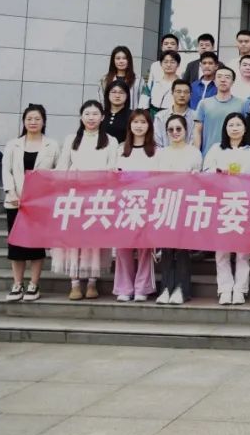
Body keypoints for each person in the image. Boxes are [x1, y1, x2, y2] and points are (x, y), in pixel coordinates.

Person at [55, 100, 119, 301]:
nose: (91, 118)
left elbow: (113, 168)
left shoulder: (110, 141)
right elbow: (62, 167)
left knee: (94, 240)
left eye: (95, 114)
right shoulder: (71, 139)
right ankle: (74, 283)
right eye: (87, 114)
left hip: (98, 197)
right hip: (74, 196)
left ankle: (92, 282)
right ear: (81, 117)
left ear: (102, 117)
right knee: (73, 240)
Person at [202, 112, 250, 305]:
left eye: (238, 125)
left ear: (245, 128)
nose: (234, 128)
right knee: (222, 250)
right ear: (225, 128)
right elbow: (205, 173)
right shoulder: (216, 149)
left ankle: (240, 289)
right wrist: (219, 172)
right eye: (231, 125)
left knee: (243, 251)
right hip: (222, 204)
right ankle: (225, 288)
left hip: (245, 203)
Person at [1, 104, 59, 302]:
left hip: (40, 205)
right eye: (29, 119)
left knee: (36, 246)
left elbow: (58, 172)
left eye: (37, 119)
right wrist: (11, 192)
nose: (33, 122)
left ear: (44, 122)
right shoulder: (13, 145)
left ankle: (34, 284)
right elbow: (6, 171)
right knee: (16, 246)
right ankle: (17, 284)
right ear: (24, 122)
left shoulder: (52, 145)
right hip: (16, 202)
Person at [154, 113, 202, 305]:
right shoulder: (161, 153)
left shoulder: (194, 153)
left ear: (186, 130)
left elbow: (198, 179)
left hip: (185, 204)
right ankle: (165, 288)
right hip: (166, 204)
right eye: (171, 129)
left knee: (182, 249)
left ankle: (182, 289)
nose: (175, 132)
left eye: (178, 129)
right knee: (166, 248)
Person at [112, 109, 159, 303]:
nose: (139, 126)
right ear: (129, 125)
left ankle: (142, 287)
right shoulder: (120, 149)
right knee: (123, 247)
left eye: (143, 122)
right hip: (124, 204)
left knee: (145, 248)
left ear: (149, 126)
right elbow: (113, 176)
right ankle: (124, 287)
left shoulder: (156, 151)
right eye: (135, 122)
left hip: (147, 203)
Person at [193, 67, 244, 158]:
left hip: (234, 156)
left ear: (233, 82)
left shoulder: (242, 104)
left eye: (227, 77)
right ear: (215, 81)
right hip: (208, 155)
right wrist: (196, 155)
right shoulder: (204, 103)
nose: (223, 80)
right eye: (219, 77)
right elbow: (197, 130)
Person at [154, 80, 194, 147]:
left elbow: (194, 143)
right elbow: (156, 143)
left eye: (186, 92)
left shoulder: (196, 117)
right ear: (172, 93)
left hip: (188, 153)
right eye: (178, 92)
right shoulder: (160, 116)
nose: (182, 95)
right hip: (164, 153)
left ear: (190, 95)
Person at [140, 50, 180, 116]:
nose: (169, 65)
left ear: (178, 65)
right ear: (161, 64)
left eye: (172, 62)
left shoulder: (181, 84)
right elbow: (143, 103)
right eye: (165, 62)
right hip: (153, 116)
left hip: (172, 117)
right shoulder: (154, 82)